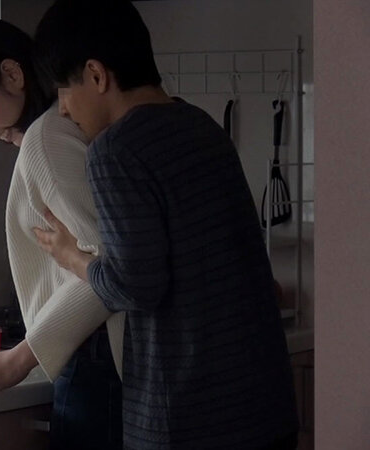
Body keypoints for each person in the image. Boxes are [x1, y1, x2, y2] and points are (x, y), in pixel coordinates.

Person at [31, 1, 300, 449]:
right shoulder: (201, 125)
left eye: (63, 89)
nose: (62, 108)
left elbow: (135, 286)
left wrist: (72, 257)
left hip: (190, 418)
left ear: (96, 75)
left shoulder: (115, 150)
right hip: (264, 404)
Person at [0, 16, 126, 449]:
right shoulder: (67, 127)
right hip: (97, 353)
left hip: (93, 354)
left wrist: (22, 357)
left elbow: (107, 266)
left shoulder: (47, 139)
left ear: (12, 74)